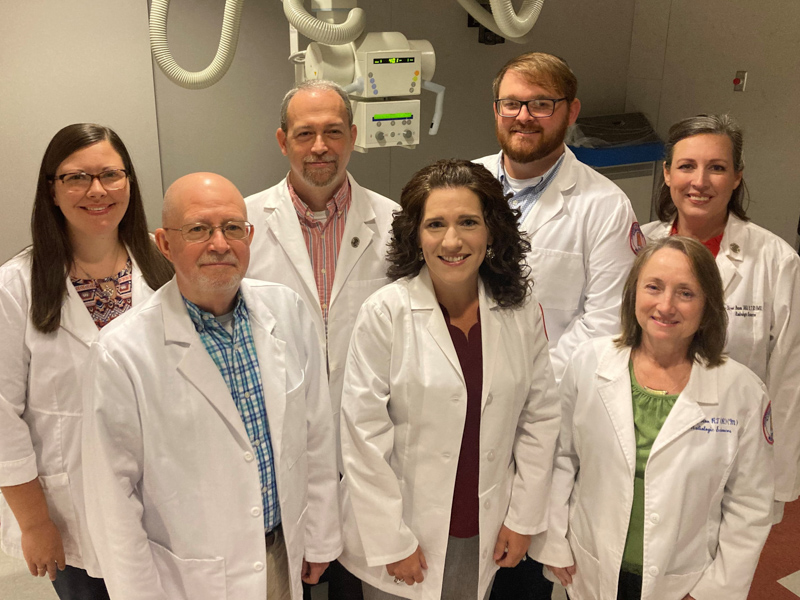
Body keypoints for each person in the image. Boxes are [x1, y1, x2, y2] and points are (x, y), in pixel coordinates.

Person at [82, 173, 342, 600]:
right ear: (165, 244)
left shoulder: (286, 310)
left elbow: (314, 432)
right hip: (188, 577)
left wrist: (319, 536)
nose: (220, 244)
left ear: (249, 236)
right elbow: (112, 499)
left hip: (281, 551)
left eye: (233, 228)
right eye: (199, 230)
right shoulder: (121, 352)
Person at [337, 159, 560, 600]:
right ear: (416, 236)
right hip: (403, 538)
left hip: (483, 529)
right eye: (435, 224)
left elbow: (539, 418)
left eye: (468, 222)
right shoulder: (385, 313)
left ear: (491, 232)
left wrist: (523, 517)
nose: (452, 240)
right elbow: (362, 437)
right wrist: (390, 540)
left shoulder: (518, 312)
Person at [475, 51, 641, 599]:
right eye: (513, 102)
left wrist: (525, 380)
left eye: (541, 104)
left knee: (522, 560)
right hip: (465, 393)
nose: (524, 116)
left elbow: (603, 321)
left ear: (570, 112)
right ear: (495, 108)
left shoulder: (604, 205)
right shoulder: (467, 185)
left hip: (551, 409)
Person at [531, 236, 774, 600]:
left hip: (685, 583)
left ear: (709, 305)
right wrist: (554, 541)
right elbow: (561, 458)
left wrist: (716, 590)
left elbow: (749, 504)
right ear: (632, 294)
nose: (666, 305)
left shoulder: (742, 392)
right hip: (588, 566)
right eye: (653, 287)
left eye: (686, 293)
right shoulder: (588, 363)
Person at [0, 123, 172, 599]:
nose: (96, 191)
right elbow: (2, 416)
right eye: (76, 178)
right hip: (69, 510)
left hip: (164, 499)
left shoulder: (165, 270)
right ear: (51, 191)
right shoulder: (15, 288)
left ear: (129, 184)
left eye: (110, 175)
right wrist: (34, 522)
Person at [245, 80, 398, 599]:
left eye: (333, 131)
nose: (320, 147)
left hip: (371, 441)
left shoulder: (397, 224)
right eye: (305, 133)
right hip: (282, 445)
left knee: (363, 584)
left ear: (353, 136)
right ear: (282, 140)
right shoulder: (241, 225)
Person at [642, 114, 800, 517]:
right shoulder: (638, 246)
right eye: (686, 166)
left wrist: (779, 480)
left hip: (731, 452)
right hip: (642, 437)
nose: (699, 181)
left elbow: (789, 376)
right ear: (666, 174)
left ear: (736, 178)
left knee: (718, 569)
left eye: (717, 168)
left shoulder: (776, 261)